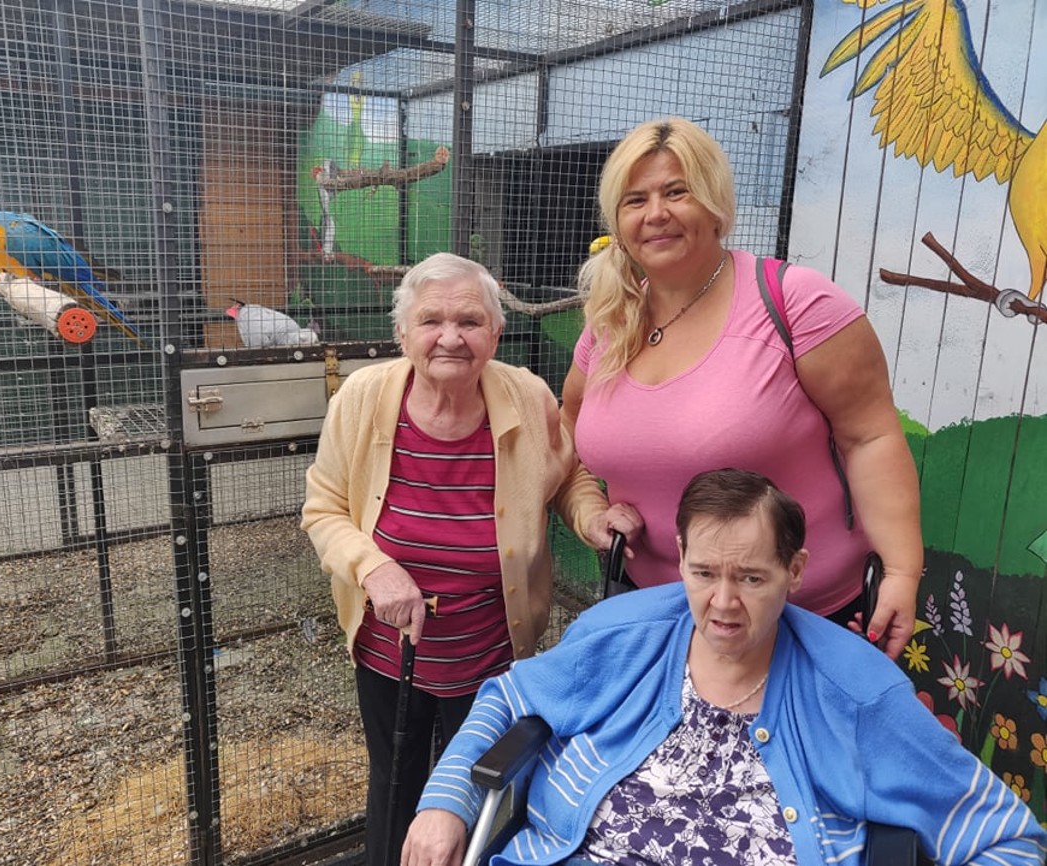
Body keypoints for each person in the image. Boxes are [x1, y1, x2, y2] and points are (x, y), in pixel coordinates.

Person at [402, 469, 1047, 866]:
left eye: (752, 578)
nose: (723, 603)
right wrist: (445, 805)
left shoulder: (853, 689)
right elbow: (507, 698)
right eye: (704, 572)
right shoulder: (626, 636)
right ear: (681, 555)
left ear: (795, 571)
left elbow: (1004, 837)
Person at [301, 252, 639, 866]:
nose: (451, 338)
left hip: (491, 652)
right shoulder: (362, 398)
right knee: (396, 784)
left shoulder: (527, 396)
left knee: (479, 796)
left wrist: (592, 518)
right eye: (431, 321)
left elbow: (568, 475)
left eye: (470, 321)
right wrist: (374, 568)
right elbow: (323, 508)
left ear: (496, 332)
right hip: (390, 649)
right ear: (402, 332)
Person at [560, 117, 923, 659]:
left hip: (801, 617)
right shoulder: (609, 322)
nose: (655, 213)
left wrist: (901, 571)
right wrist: (590, 511)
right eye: (635, 200)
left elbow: (869, 438)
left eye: (676, 192)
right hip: (657, 616)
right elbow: (568, 432)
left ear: (715, 205)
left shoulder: (797, 304)